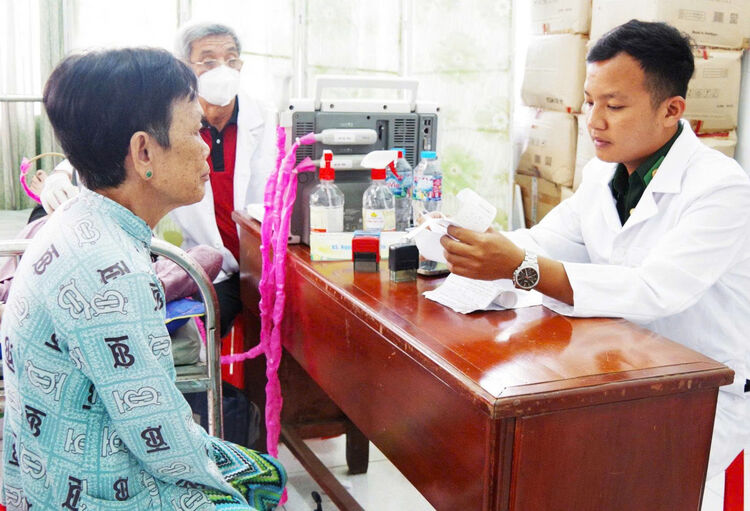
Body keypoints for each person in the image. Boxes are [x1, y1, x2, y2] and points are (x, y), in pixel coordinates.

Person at [441, 19, 749, 502]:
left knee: (626, 488)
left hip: (700, 391)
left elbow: (654, 291)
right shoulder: (602, 175)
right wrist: (468, 241)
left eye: (614, 105)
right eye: (589, 102)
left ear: (671, 110)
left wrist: (518, 266)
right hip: (618, 369)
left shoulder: (720, 188)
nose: (594, 121)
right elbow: (546, 241)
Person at [1, 48, 285, 510]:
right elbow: (165, 445)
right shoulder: (110, 273)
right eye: (194, 131)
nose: (206, 147)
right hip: (101, 493)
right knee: (263, 481)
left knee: (264, 473)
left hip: (52, 476)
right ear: (144, 151)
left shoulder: (81, 221)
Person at [170, 21, 277, 338]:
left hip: (259, 265)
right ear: (184, 68)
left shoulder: (267, 119)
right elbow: (115, 154)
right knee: (193, 331)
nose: (223, 70)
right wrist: (62, 176)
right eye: (208, 61)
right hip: (200, 266)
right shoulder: (169, 121)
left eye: (231, 60)